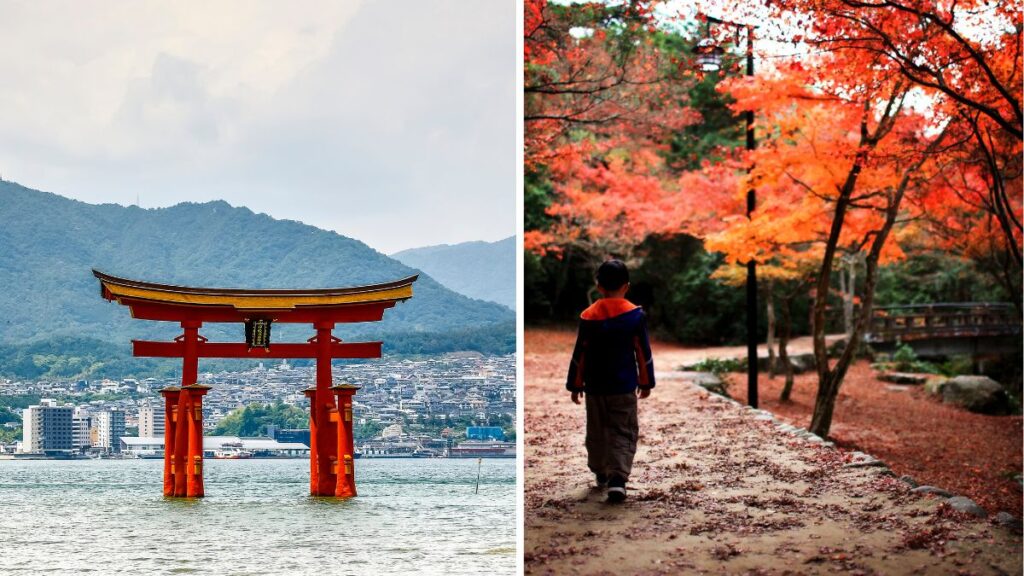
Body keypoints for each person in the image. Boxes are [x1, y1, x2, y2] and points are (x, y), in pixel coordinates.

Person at [566, 259, 655, 503]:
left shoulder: (588, 316)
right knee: (623, 431)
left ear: (598, 286)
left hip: (595, 387)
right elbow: (642, 352)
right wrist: (646, 382)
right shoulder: (635, 315)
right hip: (624, 386)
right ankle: (618, 479)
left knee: (597, 432)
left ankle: (600, 471)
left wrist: (575, 385)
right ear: (626, 286)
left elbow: (580, 354)